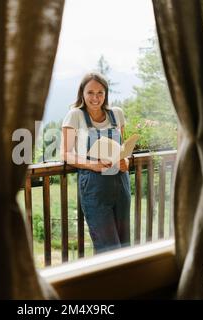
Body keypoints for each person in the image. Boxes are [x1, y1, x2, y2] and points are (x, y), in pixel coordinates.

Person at [61, 72, 131, 254]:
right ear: (82, 94)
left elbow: (123, 146)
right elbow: (65, 153)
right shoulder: (75, 115)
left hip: (121, 184)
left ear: (106, 93)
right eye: (90, 92)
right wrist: (93, 165)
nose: (95, 97)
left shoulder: (117, 114)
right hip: (94, 187)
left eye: (100, 92)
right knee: (108, 248)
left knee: (124, 246)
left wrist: (127, 161)